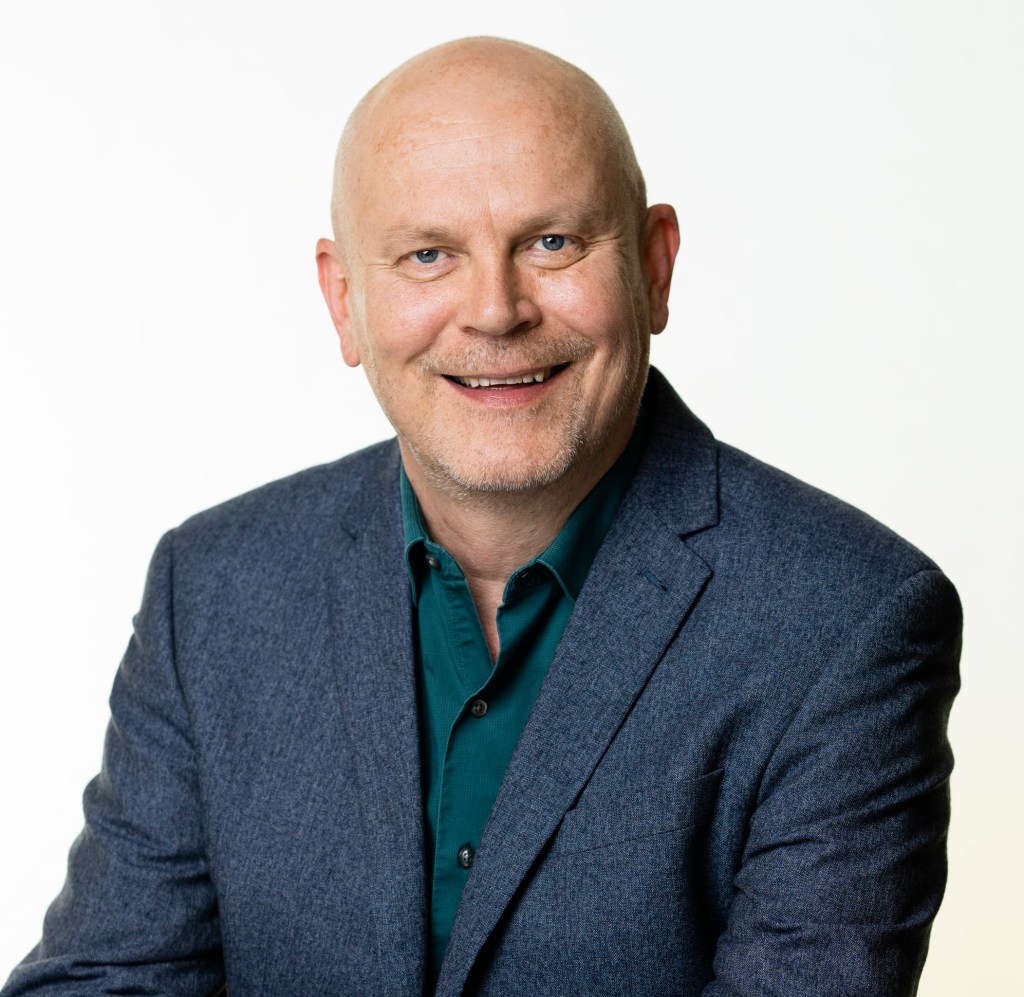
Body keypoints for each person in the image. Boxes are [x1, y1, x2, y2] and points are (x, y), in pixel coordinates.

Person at [2, 37, 960, 997]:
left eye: (552, 243)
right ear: (344, 301)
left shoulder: (847, 621)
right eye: (429, 255)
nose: (495, 312)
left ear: (655, 266)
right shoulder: (212, 589)